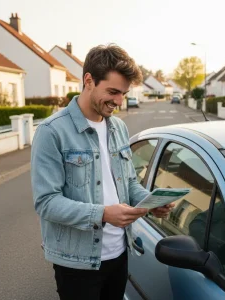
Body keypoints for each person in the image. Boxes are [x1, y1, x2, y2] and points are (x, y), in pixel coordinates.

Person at [31, 44, 172, 300]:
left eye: (124, 93)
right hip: (77, 264)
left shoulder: (118, 127)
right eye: (113, 92)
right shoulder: (52, 132)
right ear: (89, 81)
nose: (119, 101)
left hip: (119, 253)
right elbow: (46, 203)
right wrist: (104, 214)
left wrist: (149, 201)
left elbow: (127, 182)